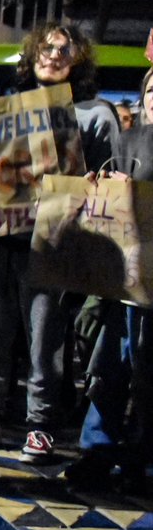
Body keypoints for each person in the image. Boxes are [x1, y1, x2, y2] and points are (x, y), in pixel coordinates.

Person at [0, 23, 118, 461]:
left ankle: (40, 423)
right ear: (32, 55)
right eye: (45, 48)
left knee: (44, 336)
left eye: (64, 50)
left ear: (78, 60)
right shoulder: (5, 106)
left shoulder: (94, 113)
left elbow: (111, 180)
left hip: (51, 241)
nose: (53, 55)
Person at [67, 67, 153, 491]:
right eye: (152, 88)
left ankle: (142, 455)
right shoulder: (130, 141)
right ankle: (97, 450)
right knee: (108, 366)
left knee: (147, 371)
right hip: (125, 280)